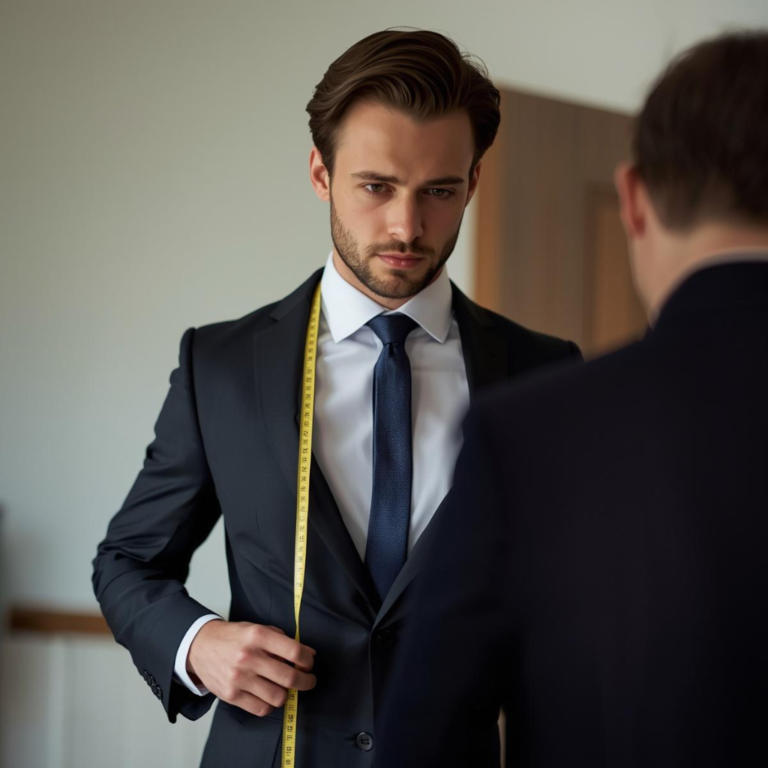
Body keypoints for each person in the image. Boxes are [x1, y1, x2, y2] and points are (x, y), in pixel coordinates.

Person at [91, 29, 580, 768]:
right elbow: (128, 560)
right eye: (376, 186)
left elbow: (572, 605)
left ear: (473, 182)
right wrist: (198, 643)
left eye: (439, 191)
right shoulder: (220, 367)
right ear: (321, 173)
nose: (407, 226)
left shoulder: (544, 374)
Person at [377, 30, 768, 768]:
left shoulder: (531, 433)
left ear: (633, 200)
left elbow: (426, 743)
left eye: (440, 190)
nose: (406, 223)